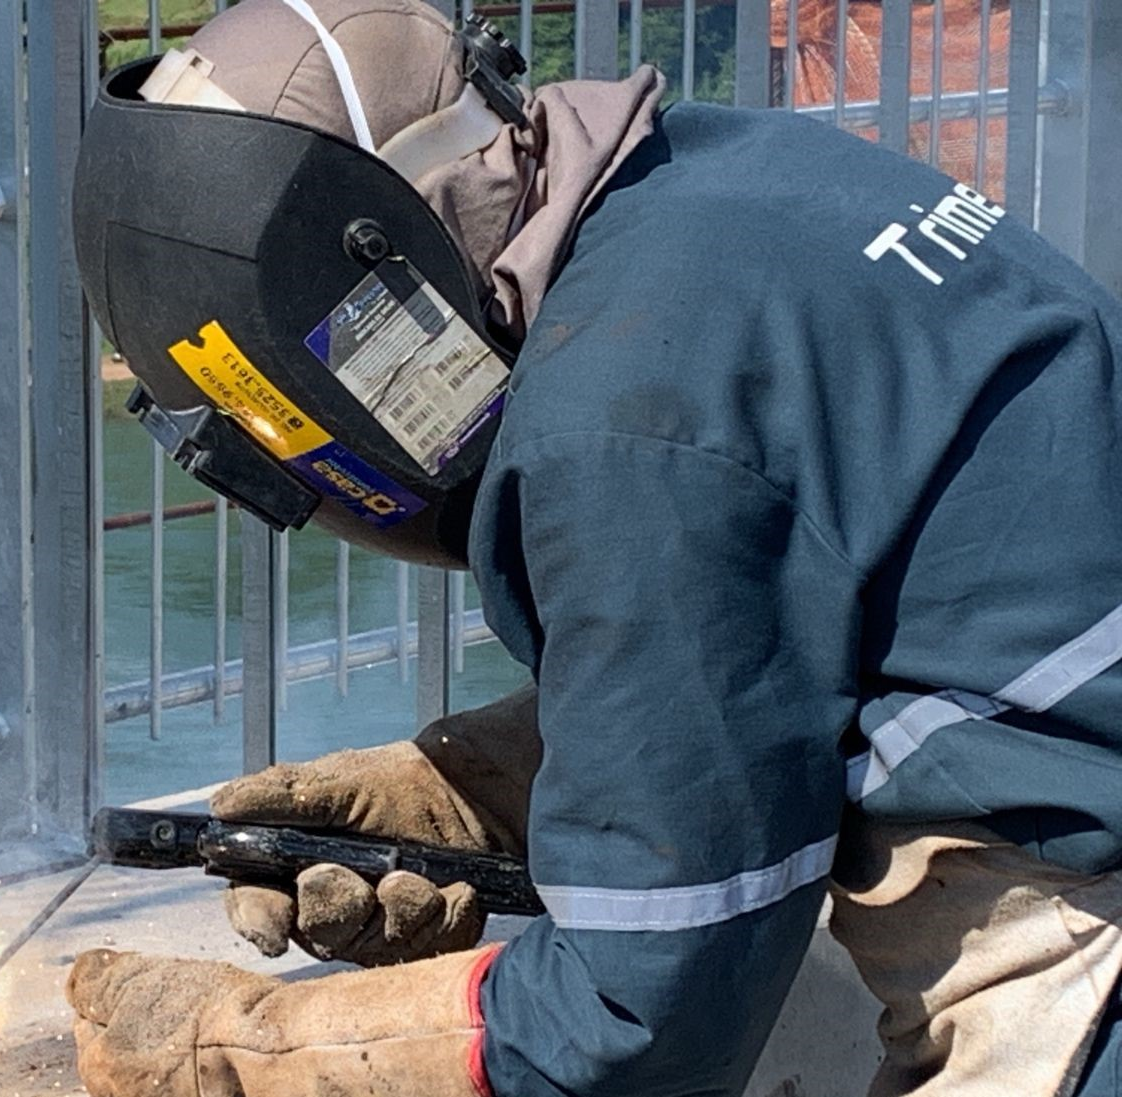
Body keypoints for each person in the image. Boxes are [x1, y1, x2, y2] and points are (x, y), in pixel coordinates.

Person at [64, 2, 1122, 1095]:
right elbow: (814, 617)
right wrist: (482, 788)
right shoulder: (717, 180)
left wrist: (255, 1052)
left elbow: (643, 1019)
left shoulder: (623, 425)